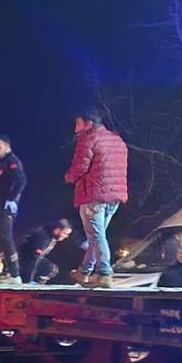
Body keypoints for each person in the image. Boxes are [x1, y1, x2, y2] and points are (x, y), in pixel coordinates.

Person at [64, 108, 128, 288]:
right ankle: (84, 271)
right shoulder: (117, 140)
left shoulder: (88, 139)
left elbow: (80, 167)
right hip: (114, 197)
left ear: (88, 123)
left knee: (96, 236)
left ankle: (105, 273)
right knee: (97, 236)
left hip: (94, 195)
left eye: (78, 124)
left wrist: (68, 177)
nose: (76, 130)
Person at [0, 134, 27, 279]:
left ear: (7, 147)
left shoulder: (11, 161)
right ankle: (7, 272)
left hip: (6, 208)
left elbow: (21, 180)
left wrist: (11, 199)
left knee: (6, 239)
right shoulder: (3, 163)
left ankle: (15, 275)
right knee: (0, 240)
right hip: (0, 207)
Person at [19, 219, 73, 284]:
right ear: (57, 230)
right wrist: (28, 280)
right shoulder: (43, 238)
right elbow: (33, 259)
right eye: (65, 233)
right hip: (23, 260)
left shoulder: (52, 238)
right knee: (49, 268)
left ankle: (36, 283)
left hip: (32, 261)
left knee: (51, 269)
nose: (66, 236)